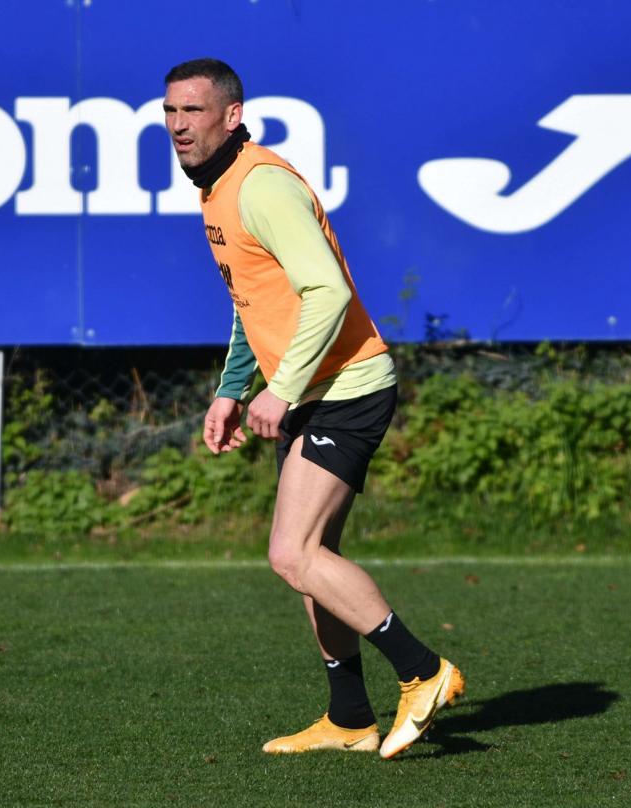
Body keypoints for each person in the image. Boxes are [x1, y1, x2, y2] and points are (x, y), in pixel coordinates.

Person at [162, 58, 465, 759]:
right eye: (171, 113)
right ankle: (350, 717)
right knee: (312, 557)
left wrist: (283, 388)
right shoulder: (216, 189)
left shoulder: (260, 186)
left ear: (231, 116)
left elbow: (326, 292)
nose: (179, 126)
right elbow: (254, 304)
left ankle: (424, 671)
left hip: (347, 389)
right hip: (312, 392)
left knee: (291, 554)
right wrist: (234, 388)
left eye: (193, 112)